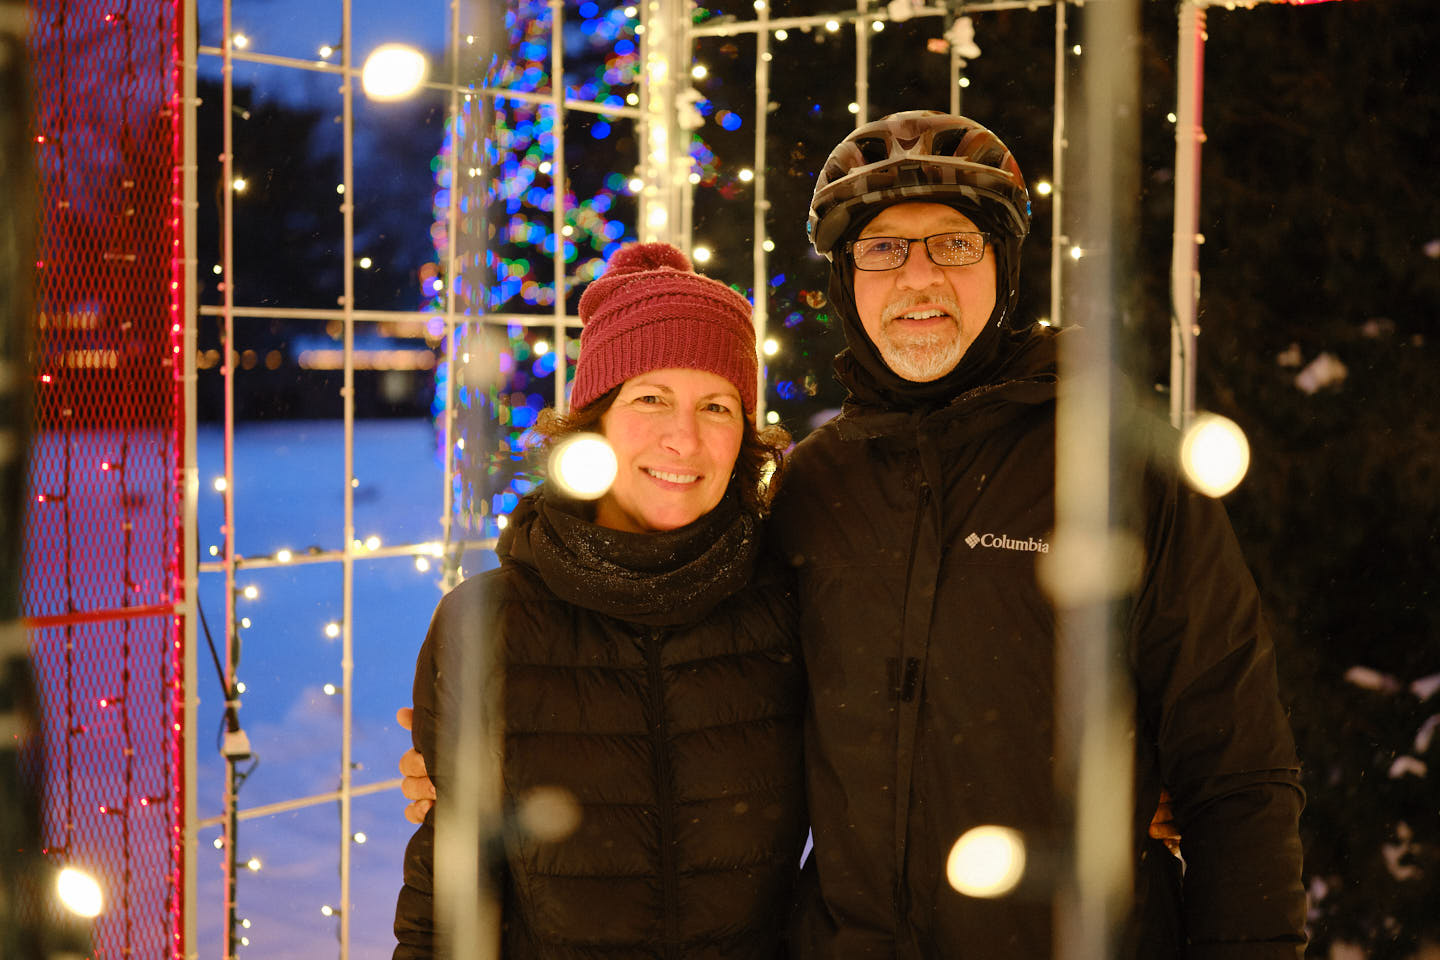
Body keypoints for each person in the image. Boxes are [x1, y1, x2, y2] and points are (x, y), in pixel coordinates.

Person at [769, 110, 1306, 957]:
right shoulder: (812, 487)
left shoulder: (1115, 462)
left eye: (955, 244)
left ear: (1004, 264)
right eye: (882, 248)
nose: (919, 277)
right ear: (845, 277)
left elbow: (1235, 766)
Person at [392, 242, 808, 959]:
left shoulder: (791, 606)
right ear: (595, 422)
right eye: (650, 398)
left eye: (716, 406)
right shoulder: (487, 623)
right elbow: (450, 908)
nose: (685, 438)